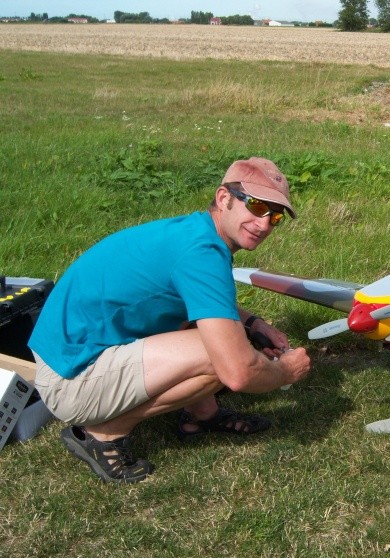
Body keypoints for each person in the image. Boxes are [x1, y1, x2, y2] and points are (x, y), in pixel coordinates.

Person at [28, 157, 312, 484]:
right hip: (69, 380)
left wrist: (254, 325)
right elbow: (238, 373)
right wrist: (285, 372)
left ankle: (202, 416)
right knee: (223, 355)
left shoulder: (196, 234)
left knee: (224, 337)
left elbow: (202, 301)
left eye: (275, 216)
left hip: (70, 353)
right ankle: (103, 433)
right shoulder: (201, 254)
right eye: (258, 206)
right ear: (224, 198)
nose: (264, 224)